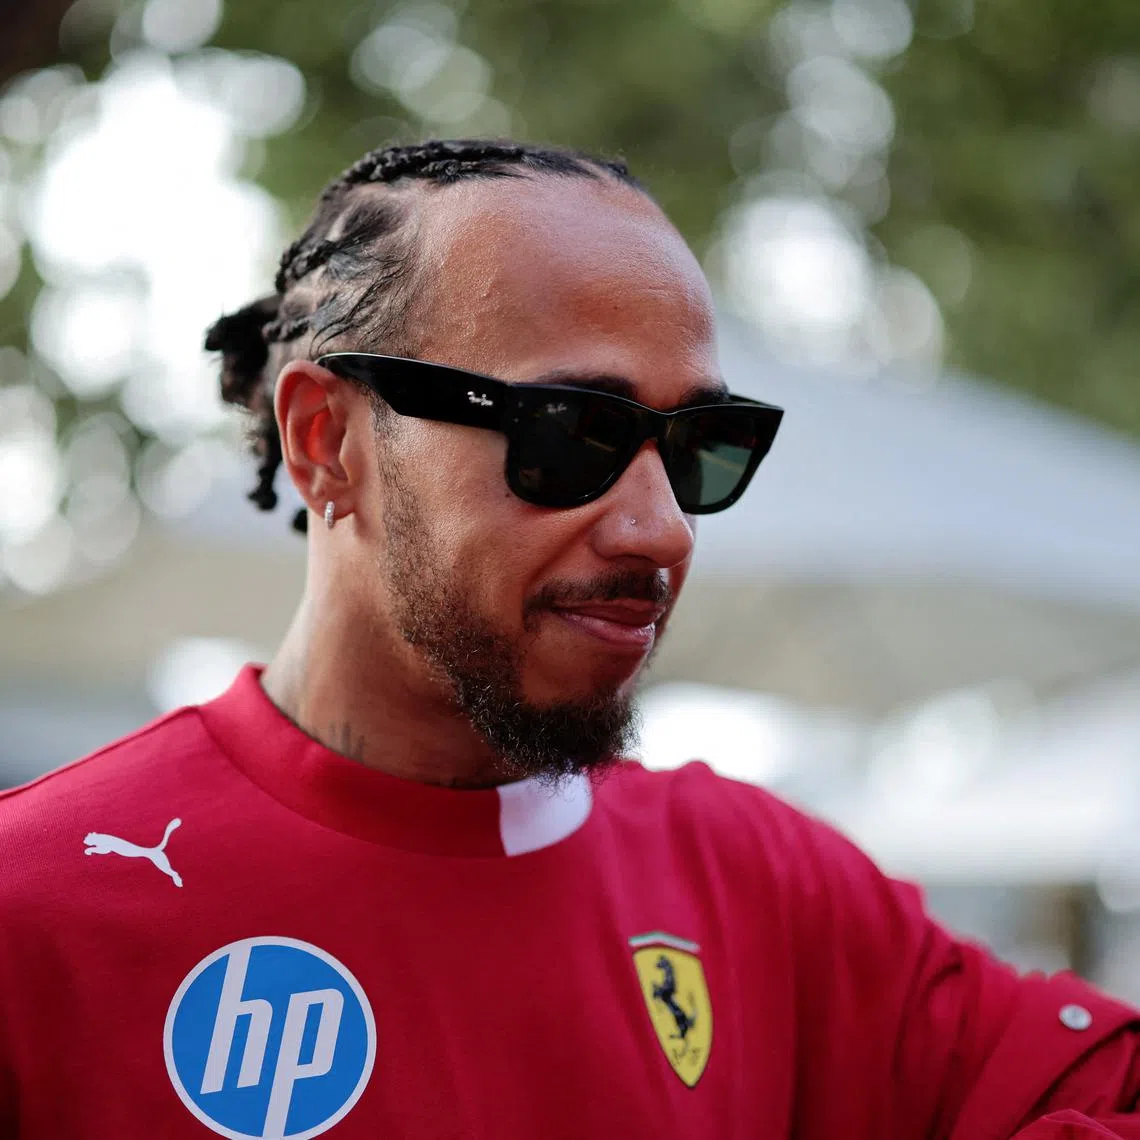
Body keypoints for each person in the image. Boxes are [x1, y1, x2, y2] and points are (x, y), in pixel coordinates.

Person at [0, 139, 1137, 1140]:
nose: (663, 529)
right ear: (325, 442)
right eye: (570, 432)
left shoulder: (760, 885)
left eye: (702, 445)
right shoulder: (38, 908)